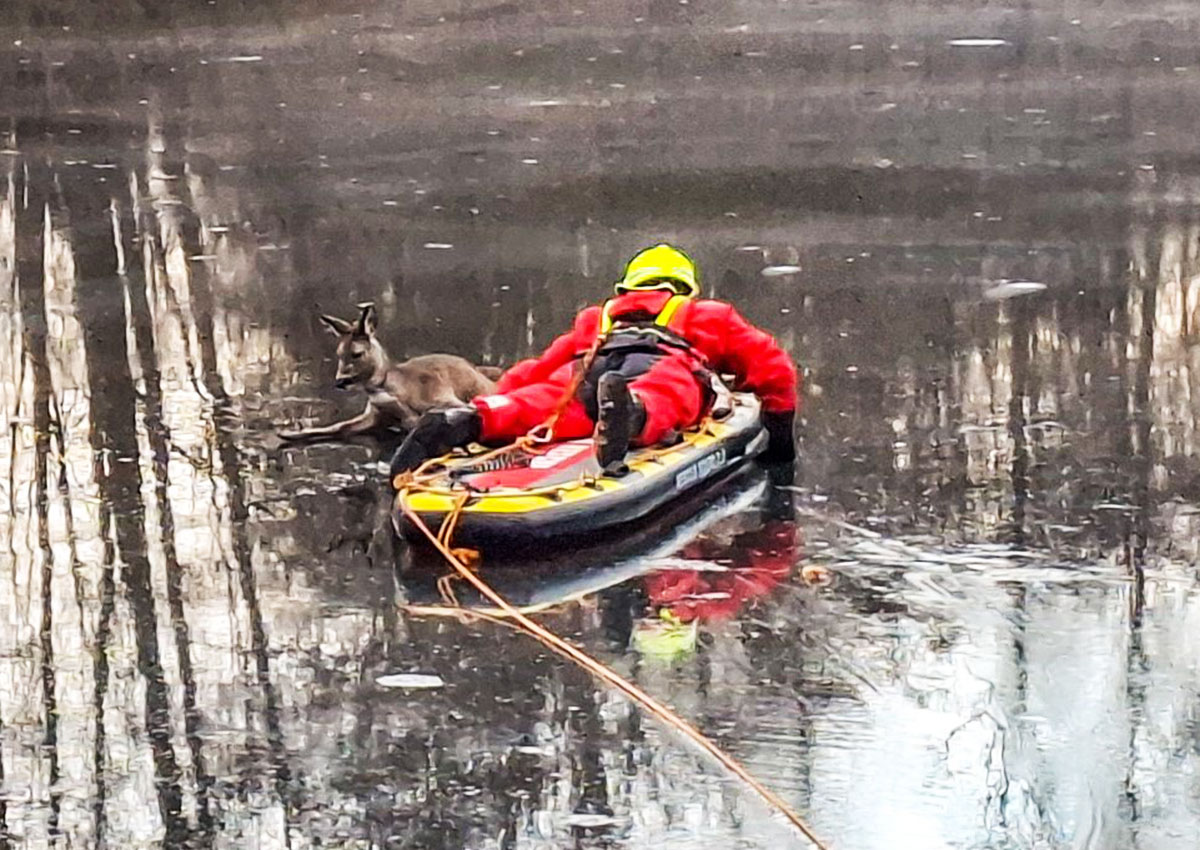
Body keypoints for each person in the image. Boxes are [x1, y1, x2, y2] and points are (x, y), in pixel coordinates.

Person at [389, 243, 799, 477]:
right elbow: (773, 369)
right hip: (664, 363)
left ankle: (473, 419)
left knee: (551, 400)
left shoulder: (597, 318)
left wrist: (503, 394)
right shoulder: (704, 315)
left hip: (589, 367)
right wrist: (779, 437)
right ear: (685, 288)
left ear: (627, 288)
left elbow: (540, 370)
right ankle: (632, 415)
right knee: (668, 394)